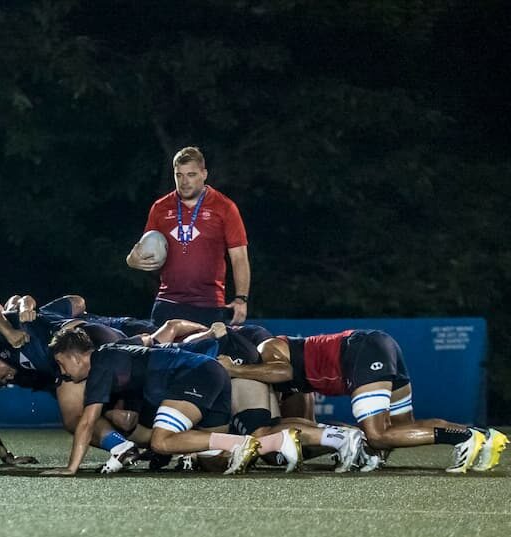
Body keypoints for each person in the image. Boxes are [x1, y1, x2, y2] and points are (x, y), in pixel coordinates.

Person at [219, 329, 508, 473]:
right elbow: (305, 423)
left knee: (379, 435)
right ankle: (482, 436)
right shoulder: (286, 372)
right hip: (377, 346)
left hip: (360, 353)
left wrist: (234, 370)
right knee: (399, 430)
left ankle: (466, 436)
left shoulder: (268, 346)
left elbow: (283, 370)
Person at [42, 328, 302, 476]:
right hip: (211, 374)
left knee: (161, 441)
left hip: (195, 374)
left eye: (61, 363)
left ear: (75, 357)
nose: (62, 372)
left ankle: (264, 443)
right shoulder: (113, 355)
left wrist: (70, 468)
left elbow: (86, 422)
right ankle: (279, 442)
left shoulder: (99, 363)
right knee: (214, 460)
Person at [126, 146, 250, 326]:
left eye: (191, 175)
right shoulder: (160, 207)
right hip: (167, 302)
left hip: (208, 304)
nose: (184, 182)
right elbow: (142, 250)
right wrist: (132, 261)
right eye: (179, 175)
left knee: (207, 354)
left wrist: (241, 298)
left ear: (204, 174)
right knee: (161, 354)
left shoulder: (224, 207)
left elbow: (239, 257)